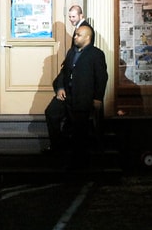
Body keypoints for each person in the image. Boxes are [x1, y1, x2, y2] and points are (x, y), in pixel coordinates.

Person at [45, 24, 108, 170]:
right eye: (75, 34)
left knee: (79, 131)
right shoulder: (71, 52)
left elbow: (101, 77)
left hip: (82, 97)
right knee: (51, 113)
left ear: (88, 37)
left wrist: (98, 98)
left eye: (79, 35)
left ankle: (78, 164)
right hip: (67, 94)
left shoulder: (96, 54)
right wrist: (60, 87)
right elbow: (64, 72)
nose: (75, 37)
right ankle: (58, 147)